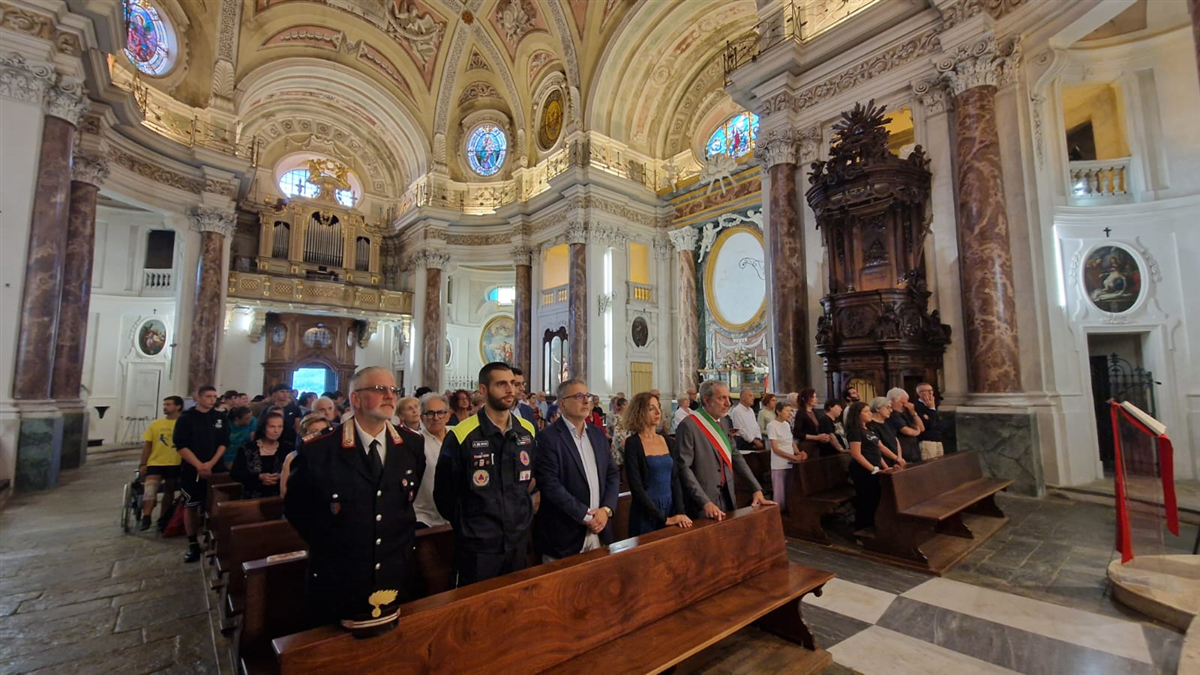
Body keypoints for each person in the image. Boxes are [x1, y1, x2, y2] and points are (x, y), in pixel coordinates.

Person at [284, 366, 425, 633]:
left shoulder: (411, 444)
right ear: (355, 399)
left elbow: (403, 501)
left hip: (395, 575)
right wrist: (338, 545)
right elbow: (297, 510)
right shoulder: (320, 449)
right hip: (341, 579)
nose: (389, 396)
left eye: (393, 390)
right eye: (379, 389)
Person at [435, 362, 538, 587]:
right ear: (483, 390)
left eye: (513, 383)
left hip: (517, 540)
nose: (510, 390)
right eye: (501, 384)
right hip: (478, 546)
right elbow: (444, 493)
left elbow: (531, 479)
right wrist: (469, 527)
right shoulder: (462, 434)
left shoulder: (526, 430)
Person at [533, 379, 621, 561]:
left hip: (600, 529)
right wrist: (586, 516)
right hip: (565, 534)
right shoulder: (548, 438)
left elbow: (612, 474)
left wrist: (606, 510)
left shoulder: (597, 434)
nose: (586, 401)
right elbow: (550, 485)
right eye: (579, 396)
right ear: (562, 403)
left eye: (587, 395)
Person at [675, 380, 773, 520]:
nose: (728, 403)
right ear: (706, 400)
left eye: (728, 398)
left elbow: (736, 457)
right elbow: (684, 468)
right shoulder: (689, 425)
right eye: (722, 398)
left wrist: (756, 489)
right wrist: (704, 501)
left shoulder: (724, 422)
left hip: (727, 495)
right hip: (702, 501)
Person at [622, 392, 692, 537]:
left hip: (670, 507)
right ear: (640, 412)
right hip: (646, 512)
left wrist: (680, 511)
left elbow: (675, 479)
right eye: (651, 408)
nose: (658, 412)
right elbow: (636, 487)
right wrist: (664, 519)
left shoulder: (666, 440)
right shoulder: (633, 444)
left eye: (658, 407)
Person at [173, 385, 230, 563]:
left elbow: (223, 442)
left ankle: (213, 538)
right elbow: (181, 445)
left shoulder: (220, 417)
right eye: (208, 396)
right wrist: (199, 465)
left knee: (216, 504)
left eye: (214, 396)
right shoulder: (186, 418)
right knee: (191, 505)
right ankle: (192, 543)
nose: (212, 400)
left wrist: (211, 463)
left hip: (216, 467)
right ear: (197, 397)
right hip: (192, 468)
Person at [845, 401, 903, 530]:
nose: (870, 413)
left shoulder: (869, 430)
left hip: (875, 469)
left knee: (875, 499)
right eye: (866, 411)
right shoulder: (855, 431)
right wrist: (873, 469)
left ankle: (873, 526)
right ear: (857, 415)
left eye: (869, 411)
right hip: (862, 470)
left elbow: (880, 448)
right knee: (866, 500)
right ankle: (861, 530)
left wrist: (890, 464)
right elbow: (856, 454)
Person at [137, 395, 183, 531]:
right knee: (150, 489)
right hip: (156, 462)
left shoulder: (183, 423)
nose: (165, 407)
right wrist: (143, 463)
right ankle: (146, 516)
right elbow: (148, 445)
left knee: (169, 489)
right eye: (164, 404)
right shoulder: (156, 424)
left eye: (168, 404)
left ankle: (163, 517)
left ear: (178, 406)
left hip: (174, 462)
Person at [231, 410, 290, 499]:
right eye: (272, 426)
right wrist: (258, 477)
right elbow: (235, 474)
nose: (276, 431)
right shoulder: (248, 448)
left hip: (280, 497)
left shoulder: (288, 449)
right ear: (263, 428)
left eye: (280, 427)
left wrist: (282, 476)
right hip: (252, 498)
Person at [414, 392, 450, 528]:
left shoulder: (457, 436)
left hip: (456, 517)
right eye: (430, 413)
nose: (436, 418)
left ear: (448, 415)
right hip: (425, 517)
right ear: (421, 417)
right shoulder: (416, 442)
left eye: (440, 412)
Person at [280, 413, 332, 498]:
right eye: (315, 432)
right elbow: (284, 492)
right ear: (303, 435)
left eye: (324, 431)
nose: (320, 435)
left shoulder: (336, 455)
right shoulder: (292, 458)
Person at [768, 401, 807, 510]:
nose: (790, 414)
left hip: (790, 462)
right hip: (779, 464)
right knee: (779, 494)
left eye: (791, 411)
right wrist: (794, 457)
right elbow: (776, 449)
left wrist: (798, 453)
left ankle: (790, 512)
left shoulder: (786, 424)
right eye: (787, 411)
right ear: (778, 411)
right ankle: (779, 514)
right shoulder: (772, 425)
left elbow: (791, 442)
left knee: (790, 491)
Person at [885, 387, 925, 463]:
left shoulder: (906, 412)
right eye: (902, 403)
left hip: (914, 451)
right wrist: (917, 431)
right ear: (893, 401)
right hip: (903, 452)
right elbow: (907, 431)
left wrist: (913, 413)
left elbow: (922, 428)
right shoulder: (892, 415)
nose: (905, 405)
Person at [794, 388, 832, 453]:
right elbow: (797, 433)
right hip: (806, 445)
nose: (816, 399)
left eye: (816, 397)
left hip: (817, 444)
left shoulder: (814, 412)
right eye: (813, 397)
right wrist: (816, 437)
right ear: (804, 399)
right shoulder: (801, 413)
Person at [914, 382, 944, 460]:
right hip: (927, 441)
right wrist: (932, 409)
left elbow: (938, 424)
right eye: (927, 391)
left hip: (937, 439)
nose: (930, 393)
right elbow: (930, 425)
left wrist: (932, 408)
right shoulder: (917, 406)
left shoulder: (932, 404)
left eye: (931, 390)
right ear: (919, 393)